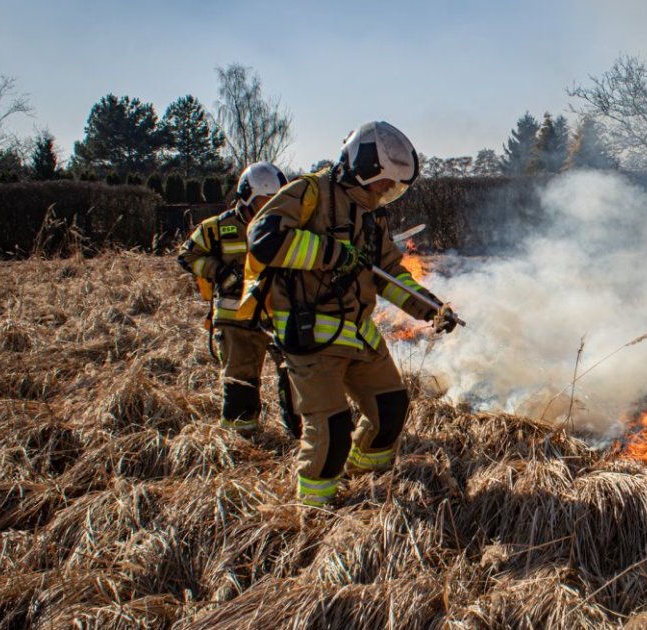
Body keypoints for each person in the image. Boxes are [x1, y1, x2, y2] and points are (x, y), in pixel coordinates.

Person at [246, 121, 459, 508]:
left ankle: (365, 484)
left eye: (391, 187)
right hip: (310, 333)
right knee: (331, 429)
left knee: (391, 408)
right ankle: (315, 511)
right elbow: (264, 239)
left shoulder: (372, 217)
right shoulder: (308, 192)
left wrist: (432, 309)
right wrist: (332, 253)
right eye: (382, 183)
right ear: (361, 167)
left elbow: (390, 275)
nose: (385, 193)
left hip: (358, 334)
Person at [177, 162, 301, 436]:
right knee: (240, 382)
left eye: (276, 200)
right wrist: (219, 272)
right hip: (236, 321)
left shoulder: (285, 227)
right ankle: (241, 438)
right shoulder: (218, 228)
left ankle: (300, 433)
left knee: (296, 375)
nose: (269, 207)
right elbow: (187, 255)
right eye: (264, 201)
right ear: (245, 196)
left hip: (278, 315)